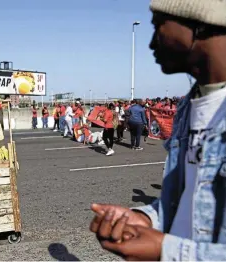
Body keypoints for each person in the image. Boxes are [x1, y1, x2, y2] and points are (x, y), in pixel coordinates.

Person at [89, 0, 226, 260]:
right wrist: (146, 218)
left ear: (200, 23)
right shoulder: (189, 106)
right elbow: (188, 199)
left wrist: (167, 251)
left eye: (158, 27)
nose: (152, 43)